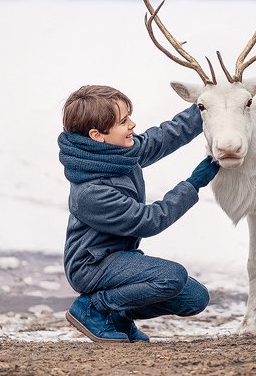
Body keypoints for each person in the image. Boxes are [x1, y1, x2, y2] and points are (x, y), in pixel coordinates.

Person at [57, 85, 219, 342]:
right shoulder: (90, 193)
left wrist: (207, 107)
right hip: (92, 265)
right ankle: (94, 308)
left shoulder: (119, 153)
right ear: (97, 135)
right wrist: (192, 184)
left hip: (120, 258)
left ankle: (118, 317)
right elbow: (149, 220)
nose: (132, 125)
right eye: (123, 121)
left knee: (194, 298)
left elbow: (164, 137)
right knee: (171, 277)